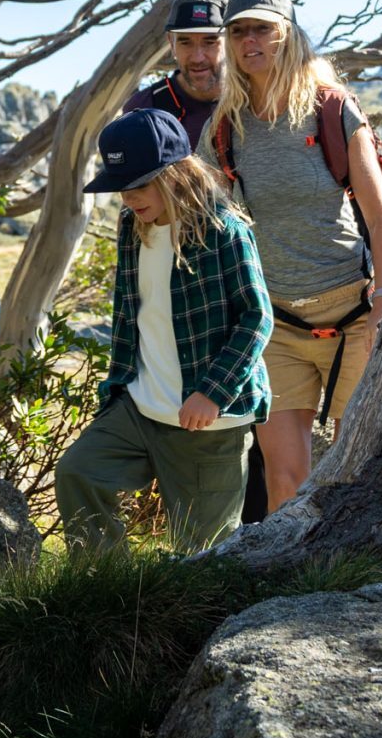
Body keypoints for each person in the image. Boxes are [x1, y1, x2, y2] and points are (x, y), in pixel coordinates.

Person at [205, 0, 382, 512]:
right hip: (278, 325)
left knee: (352, 475)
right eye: (238, 31)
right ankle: (290, 594)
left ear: (287, 35)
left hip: (355, 316)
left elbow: (381, 217)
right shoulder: (225, 128)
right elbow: (210, 223)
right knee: (284, 482)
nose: (250, 42)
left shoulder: (332, 109)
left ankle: (352, 590)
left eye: (262, 30)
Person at [53, 109, 272, 554]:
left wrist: (212, 392)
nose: (129, 198)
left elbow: (257, 317)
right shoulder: (132, 228)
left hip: (208, 422)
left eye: (139, 184)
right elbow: (129, 315)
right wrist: (116, 390)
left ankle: (193, 621)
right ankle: (108, 593)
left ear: (176, 174)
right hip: (139, 407)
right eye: (122, 187)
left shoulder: (222, 231)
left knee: (204, 557)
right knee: (79, 472)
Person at [123, 0, 228, 148]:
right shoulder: (144, 109)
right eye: (185, 42)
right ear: (171, 44)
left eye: (210, 42)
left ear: (231, 43)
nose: (197, 57)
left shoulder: (260, 100)